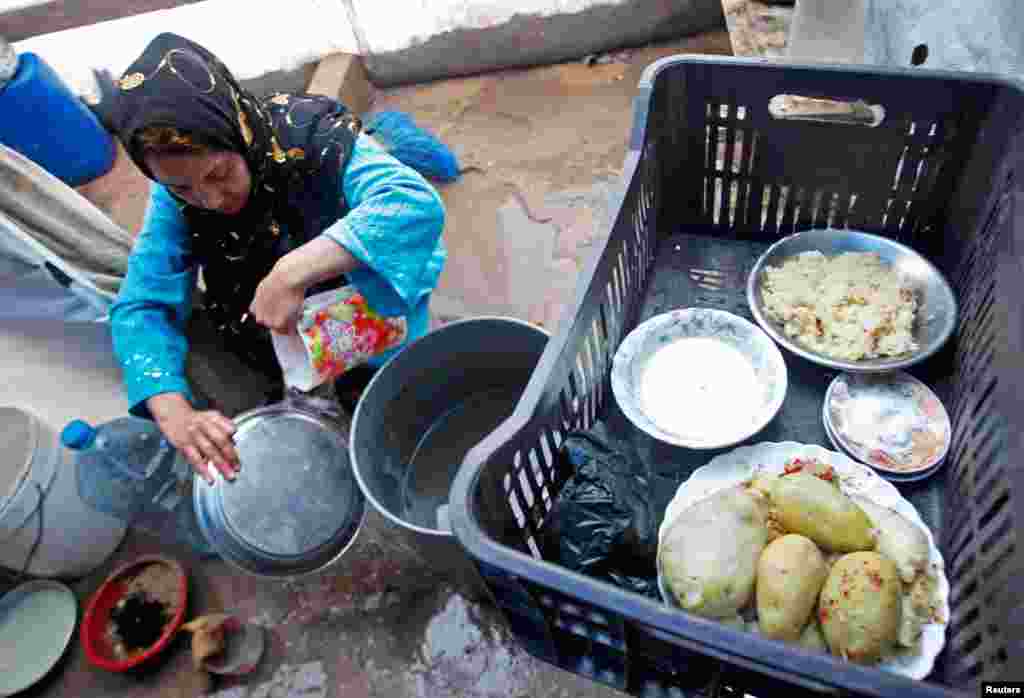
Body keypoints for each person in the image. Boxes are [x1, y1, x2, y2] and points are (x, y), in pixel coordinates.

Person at [105, 34, 447, 484]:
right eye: (183, 187)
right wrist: (173, 412)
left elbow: (411, 205)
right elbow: (140, 305)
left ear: (237, 130)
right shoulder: (176, 196)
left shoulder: (313, 139)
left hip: (368, 307)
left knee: (403, 394)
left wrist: (291, 273)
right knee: (289, 385)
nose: (209, 199)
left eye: (219, 173)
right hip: (278, 325)